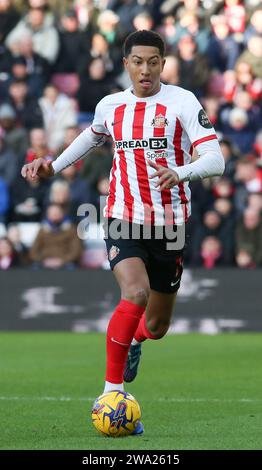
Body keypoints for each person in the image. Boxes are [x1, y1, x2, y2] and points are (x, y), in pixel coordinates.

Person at [21, 30, 225, 435]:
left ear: (163, 64)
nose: (145, 69)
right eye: (137, 61)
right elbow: (91, 136)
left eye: (153, 61)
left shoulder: (183, 101)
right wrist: (53, 166)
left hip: (170, 225)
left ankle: (135, 340)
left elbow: (215, 159)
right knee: (135, 293)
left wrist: (180, 171)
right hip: (122, 216)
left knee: (158, 326)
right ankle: (111, 394)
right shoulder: (110, 106)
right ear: (126, 64)